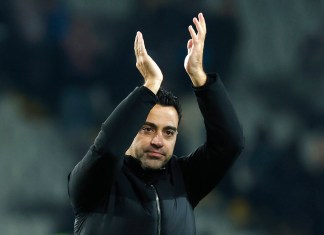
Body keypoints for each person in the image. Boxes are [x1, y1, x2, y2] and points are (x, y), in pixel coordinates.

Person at [68, 13, 244, 235]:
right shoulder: (96, 185)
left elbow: (230, 144)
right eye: (148, 129)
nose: (158, 140)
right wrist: (149, 86)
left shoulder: (183, 182)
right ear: (131, 129)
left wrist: (200, 78)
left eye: (169, 132)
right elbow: (106, 149)